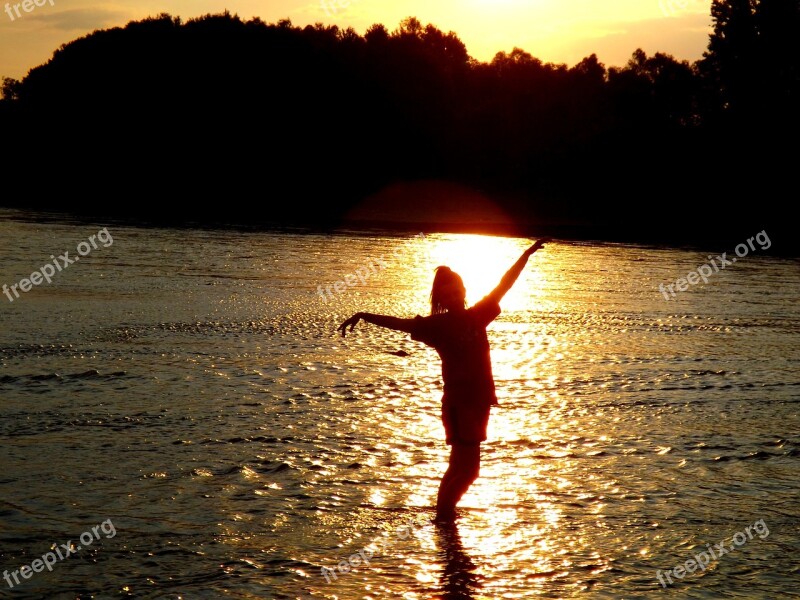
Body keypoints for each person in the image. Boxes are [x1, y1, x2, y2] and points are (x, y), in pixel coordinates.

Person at [337, 238, 550, 522]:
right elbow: (401, 324)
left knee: (459, 468)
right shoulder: (436, 326)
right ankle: (444, 519)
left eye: (456, 290)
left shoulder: (479, 315)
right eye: (445, 294)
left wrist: (526, 254)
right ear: (440, 299)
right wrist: (365, 315)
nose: (452, 296)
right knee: (468, 470)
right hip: (460, 404)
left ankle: (443, 518)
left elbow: (505, 284)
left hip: (479, 402)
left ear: (463, 291)